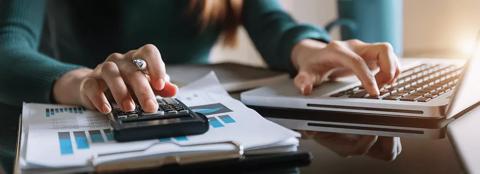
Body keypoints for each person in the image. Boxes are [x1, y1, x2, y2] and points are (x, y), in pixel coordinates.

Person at [0, 0, 400, 114]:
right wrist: (84, 81)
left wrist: (311, 49)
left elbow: (271, 21)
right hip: (74, 119)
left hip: (193, 132)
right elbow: (7, 49)